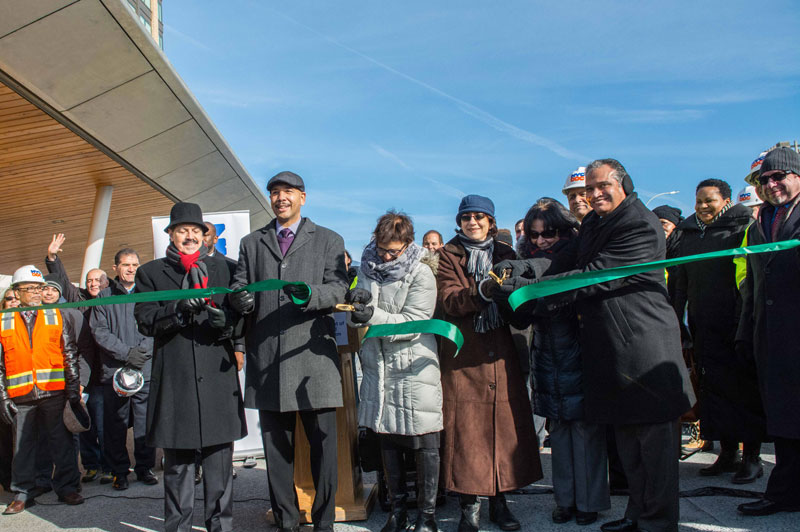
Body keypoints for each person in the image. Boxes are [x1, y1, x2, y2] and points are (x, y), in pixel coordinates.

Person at [493, 159, 694, 532]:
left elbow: (595, 276)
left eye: (603, 186)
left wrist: (531, 291)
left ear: (624, 185)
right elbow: (568, 258)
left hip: (643, 345)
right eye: (590, 189)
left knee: (654, 450)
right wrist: (527, 270)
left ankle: (658, 523)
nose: (595, 193)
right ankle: (637, 514)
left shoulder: (638, 223)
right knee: (631, 450)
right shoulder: (596, 223)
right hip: (612, 349)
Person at [229, 171, 348, 532]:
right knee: (276, 452)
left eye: (288, 192)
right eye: (275, 193)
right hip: (269, 360)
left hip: (313, 360)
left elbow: (340, 288)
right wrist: (240, 298)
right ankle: (286, 520)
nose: (281, 198)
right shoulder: (252, 243)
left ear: (303, 197)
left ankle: (324, 521)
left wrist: (312, 296)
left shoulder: (328, 239)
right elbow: (239, 287)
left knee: (323, 450)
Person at [135, 202, 247, 532]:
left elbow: (240, 321)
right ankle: (177, 527)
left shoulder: (226, 269)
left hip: (217, 377)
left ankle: (220, 527)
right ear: (170, 234)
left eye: (195, 231)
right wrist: (178, 308)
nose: (189, 236)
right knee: (178, 467)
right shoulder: (151, 273)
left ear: (205, 235)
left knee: (219, 465)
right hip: (176, 380)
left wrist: (227, 322)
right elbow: (144, 320)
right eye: (182, 230)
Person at [436, 194, 542, 532]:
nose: (473, 222)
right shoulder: (448, 256)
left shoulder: (507, 254)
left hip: (502, 352)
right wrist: (481, 291)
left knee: (504, 429)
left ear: (491, 222)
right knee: (466, 432)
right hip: (464, 356)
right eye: (467, 217)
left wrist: (517, 296)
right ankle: (470, 508)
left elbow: (519, 304)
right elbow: (449, 300)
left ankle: (500, 503)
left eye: (480, 217)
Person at [516, 198, 610, 526]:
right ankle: (565, 500)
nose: (541, 240)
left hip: (580, 349)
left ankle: (590, 502)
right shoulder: (525, 259)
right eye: (534, 234)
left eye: (549, 233)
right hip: (546, 352)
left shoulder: (580, 253)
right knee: (558, 430)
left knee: (585, 430)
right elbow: (521, 314)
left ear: (565, 229)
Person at [346, 211, 442, 532]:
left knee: (423, 442)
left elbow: (415, 321)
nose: (385, 255)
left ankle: (426, 516)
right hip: (378, 366)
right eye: (382, 247)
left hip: (413, 366)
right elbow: (356, 314)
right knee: (387, 439)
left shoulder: (422, 272)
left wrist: (370, 315)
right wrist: (355, 304)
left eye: (393, 250)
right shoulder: (367, 269)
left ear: (408, 244)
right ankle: (397, 511)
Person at [672, 179, 765, 483]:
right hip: (702, 324)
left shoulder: (744, 228)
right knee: (715, 392)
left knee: (743, 391)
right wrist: (679, 319)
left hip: (735, 322)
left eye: (709, 201)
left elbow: (750, 275)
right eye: (698, 201)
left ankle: (751, 457)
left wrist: (745, 319)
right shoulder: (688, 234)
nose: (702, 207)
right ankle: (727, 454)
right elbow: (680, 280)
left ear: (725, 201)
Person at [737, 147, 800, 516]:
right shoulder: (760, 223)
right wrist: (747, 330)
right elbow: (754, 284)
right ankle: (786, 491)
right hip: (771, 335)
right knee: (784, 418)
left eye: (780, 176)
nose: (772, 184)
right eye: (766, 179)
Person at [0, 266, 84, 515]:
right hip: (20, 395)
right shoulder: (3, 320)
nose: (37, 294)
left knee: (62, 443)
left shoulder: (56, 314)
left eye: (40, 288)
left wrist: (72, 390)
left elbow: (69, 354)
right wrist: (2, 396)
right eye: (31, 289)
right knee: (22, 447)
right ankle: (23, 492)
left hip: (54, 391)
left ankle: (68, 487)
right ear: (17, 291)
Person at [45, 234, 110, 483]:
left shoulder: (113, 299)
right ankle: (91, 465)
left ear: (106, 282)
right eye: (89, 280)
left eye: (98, 280)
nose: (93, 283)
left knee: (104, 424)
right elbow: (61, 282)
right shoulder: (79, 300)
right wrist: (53, 258)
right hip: (83, 371)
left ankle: (108, 465)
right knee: (82, 421)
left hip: (104, 369)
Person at [90, 249, 157, 490]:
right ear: (115, 267)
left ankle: (145, 468)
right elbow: (100, 332)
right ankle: (119, 471)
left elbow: (155, 326)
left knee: (143, 423)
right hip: (115, 373)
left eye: (135, 264)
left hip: (144, 370)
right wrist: (126, 354)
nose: (131, 269)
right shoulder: (103, 297)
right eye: (126, 264)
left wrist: (141, 353)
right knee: (115, 425)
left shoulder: (148, 295)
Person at [0, 288, 20, 493]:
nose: (13, 302)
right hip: (4, 388)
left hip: (24, 389)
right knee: (5, 439)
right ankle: (7, 480)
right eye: (9, 299)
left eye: (16, 298)